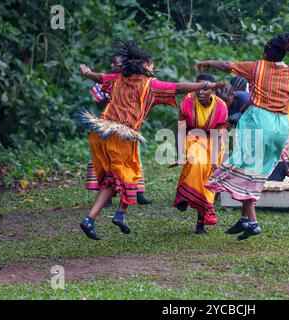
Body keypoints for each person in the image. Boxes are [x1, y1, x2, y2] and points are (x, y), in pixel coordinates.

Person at [77, 40, 225, 240]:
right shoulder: (151, 86)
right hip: (120, 137)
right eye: (151, 65)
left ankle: (117, 215)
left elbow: (100, 77)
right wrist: (208, 84)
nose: (153, 69)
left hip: (99, 134)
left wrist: (87, 73)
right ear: (144, 66)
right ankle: (94, 218)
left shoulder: (116, 78)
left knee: (128, 175)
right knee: (123, 179)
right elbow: (179, 87)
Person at [195, 33, 289, 240]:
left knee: (244, 169)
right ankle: (244, 219)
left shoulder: (257, 67)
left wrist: (206, 63)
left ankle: (254, 222)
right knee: (255, 170)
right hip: (282, 126)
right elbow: (274, 97)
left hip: (261, 122)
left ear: (267, 52)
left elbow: (226, 65)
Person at [80, 55, 152, 205]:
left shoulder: (136, 82)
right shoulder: (109, 80)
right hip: (108, 126)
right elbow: (100, 104)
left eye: (116, 63)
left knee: (134, 157)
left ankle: (138, 192)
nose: (112, 65)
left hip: (128, 127)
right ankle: (106, 197)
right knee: (107, 160)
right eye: (112, 62)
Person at [172, 73, 228, 234]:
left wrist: (216, 162)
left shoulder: (221, 107)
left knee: (207, 182)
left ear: (213, 90)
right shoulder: (187, 102)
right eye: (198, 87)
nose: (201, 91)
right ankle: (184, 196)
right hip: (193, 138)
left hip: (214, 142)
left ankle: (200, 221)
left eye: (205, 88)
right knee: (196, 162)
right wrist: (180, 154)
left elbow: (218, 135)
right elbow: (181, 130)